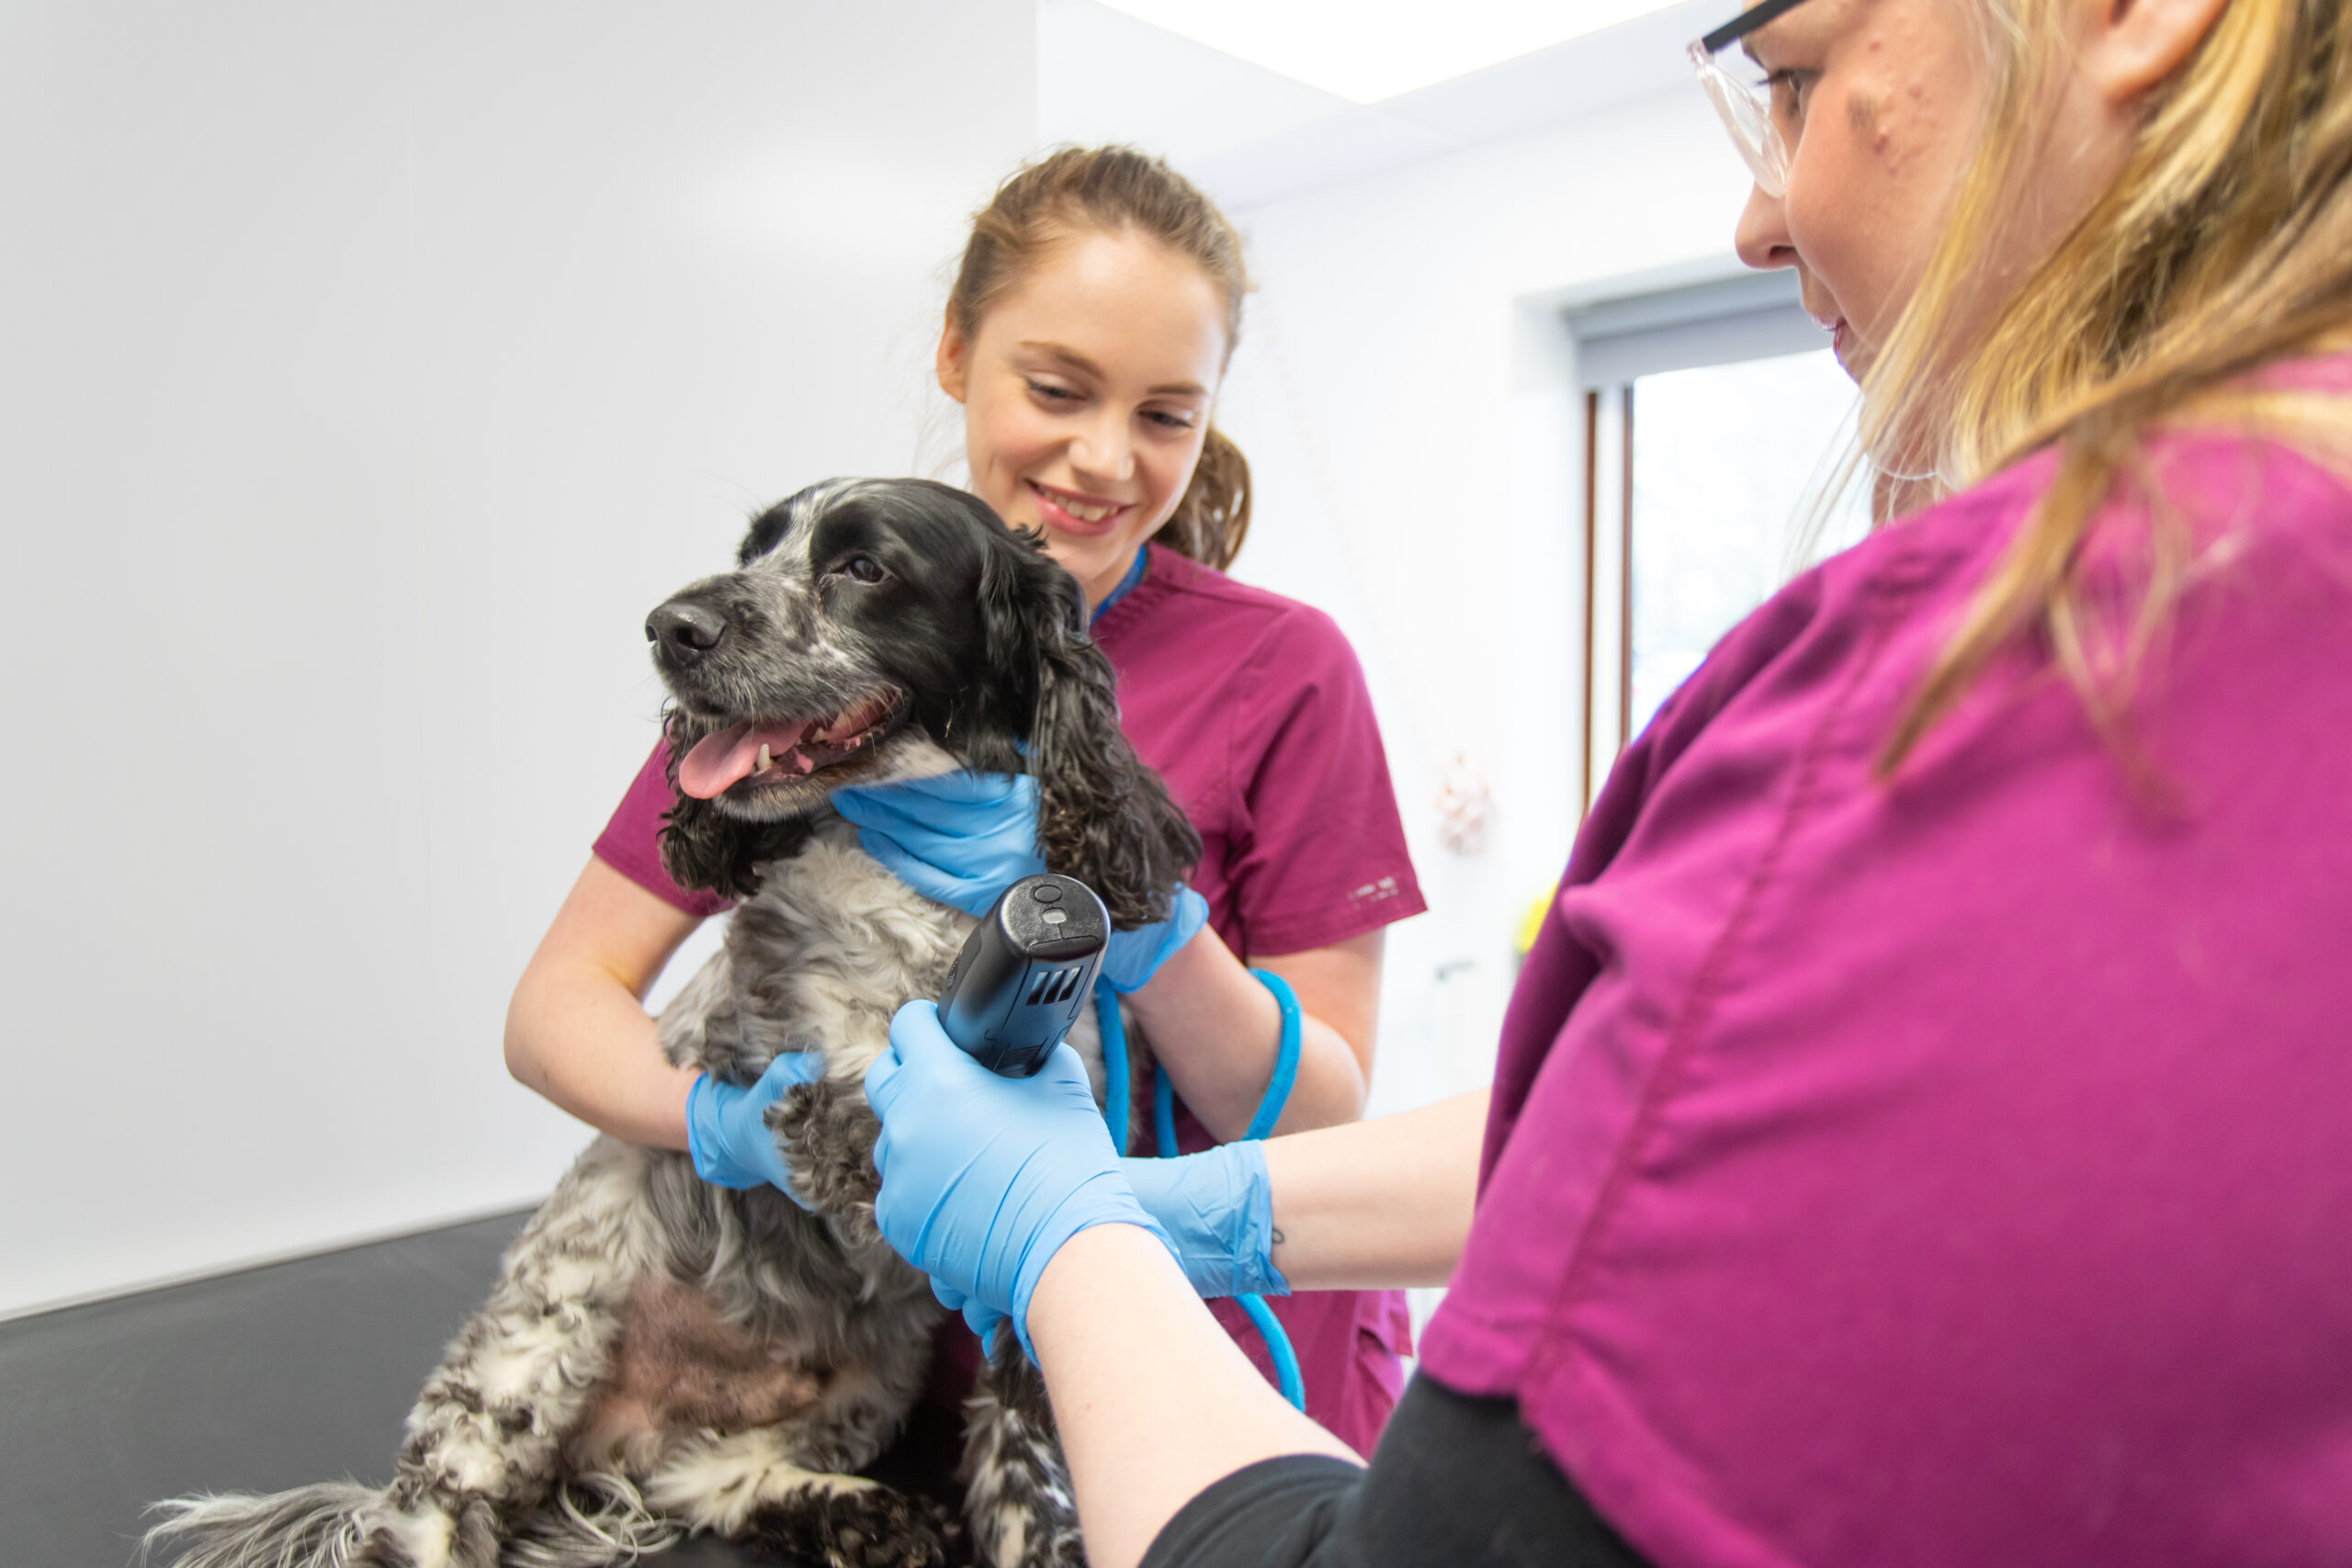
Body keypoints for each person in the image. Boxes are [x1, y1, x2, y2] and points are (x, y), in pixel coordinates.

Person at [858, 1, 2352, 1565]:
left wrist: (1065, 1230)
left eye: (1794, 81)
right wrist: (1202, 1207)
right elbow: (1648, 1137)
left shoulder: (1950, 707)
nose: (1759, 216)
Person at [503, 145, 1429, 1471]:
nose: (1106, 457)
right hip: (923, 1396)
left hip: (1222, 1360)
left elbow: (1318, 1115)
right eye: (1057, 388)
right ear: (955, 353)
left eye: (1169, 414)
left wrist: (1143, 926)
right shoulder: (809, 656)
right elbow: (552, 1013)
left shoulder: (1283, 671)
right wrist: (740, 1122)